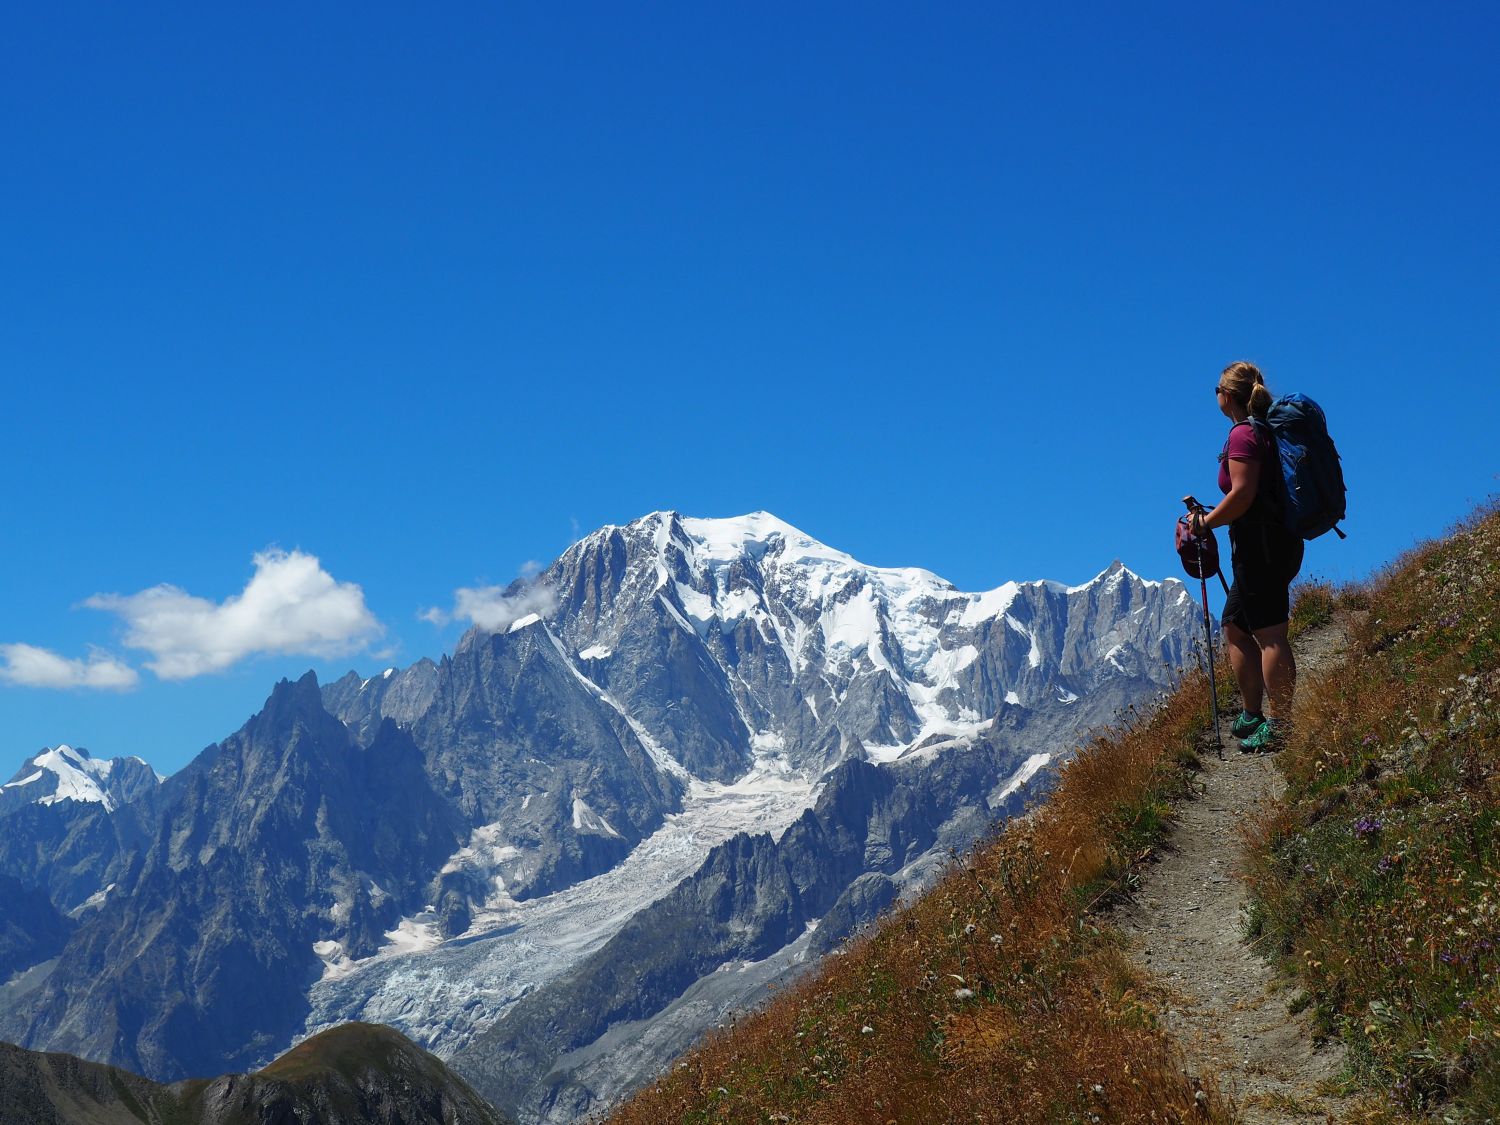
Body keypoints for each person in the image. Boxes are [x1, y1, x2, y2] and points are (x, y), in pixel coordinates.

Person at [1191, 361, 1303, 751]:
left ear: (1227, 395)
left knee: (1270, 634)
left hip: (1262, 546)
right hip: (1272, 541)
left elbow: (1242, 494)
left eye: (1217, 390)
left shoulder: (1243, 434)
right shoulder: (1262, 430)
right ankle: (1253, 713)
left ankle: (1281, 725)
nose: (1215, 396)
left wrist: (1206, 523)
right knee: (1236, 627)